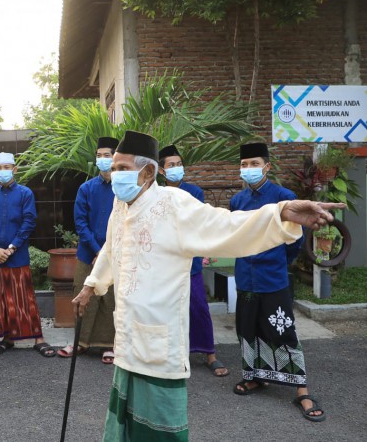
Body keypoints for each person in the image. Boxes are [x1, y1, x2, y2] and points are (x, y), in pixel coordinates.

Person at [72, 131, 342, 441]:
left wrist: (279, 214)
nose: (114, 174)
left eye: (122, 168)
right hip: (128, 336)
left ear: (147, 172)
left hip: (159, 343)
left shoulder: (174, 205)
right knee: (126, 422)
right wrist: (92, 285)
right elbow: (112, 246)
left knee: (159, 427)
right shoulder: (121, 205)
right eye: (114, 168)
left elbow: (226, 225)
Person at [230, 143, 325, 422]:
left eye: (254, 163)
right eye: (244, 164)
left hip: (273, 277)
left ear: (267, 166)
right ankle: (256, 377)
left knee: (283, 330)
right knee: (247, 329)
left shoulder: (284, 197)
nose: (248, 169)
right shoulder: (237, 200)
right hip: (245, 277)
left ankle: (302, 391)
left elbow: (294, 240)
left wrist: (278, 262)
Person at [158, 144, 229, 377]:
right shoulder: (155, 194)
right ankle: (174, 355)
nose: (176, 168)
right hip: (166, 261)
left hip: (190, 259)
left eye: (179, 164)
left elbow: (199, 222)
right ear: (161, 171)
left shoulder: (195, 192)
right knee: (168, 310)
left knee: (199, 306)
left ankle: (210, 354)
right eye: (171, 165)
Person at [0, 152, 56, 358]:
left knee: (25, 297)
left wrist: (12, 248)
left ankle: (38, 338)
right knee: (2, 299)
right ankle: (7, 338)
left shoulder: (25, 193)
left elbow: (29, 222)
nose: (2, 171)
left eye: (7, 167)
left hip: (17, 254)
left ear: (14, 169)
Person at [58, 137, 118, 364]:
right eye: (99, 155)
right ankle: (80, 342)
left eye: (107, 155)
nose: (102, 159)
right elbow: (80, 223)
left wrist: (105, 252)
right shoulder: (86, 188)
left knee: (110, 299)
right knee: (84, 296)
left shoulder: (123, 188)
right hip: (88, 253)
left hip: (114, 253)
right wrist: (95, 249)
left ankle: (109, 345)